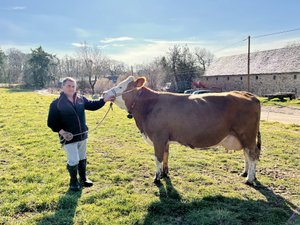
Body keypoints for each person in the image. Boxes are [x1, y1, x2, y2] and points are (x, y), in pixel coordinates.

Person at [47, 77, 115, 191]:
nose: (71, 88)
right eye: (68, 85)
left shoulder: (81, 99)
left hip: (83, 135)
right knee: (73, 159)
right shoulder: (56, 103)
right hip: (69, 138)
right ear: (63, 87)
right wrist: (63, 133)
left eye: (73, 86)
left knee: (82, 158)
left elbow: (93, 105)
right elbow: (51, 122)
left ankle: (83, 179)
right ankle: (73, 182)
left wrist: (105, 100)